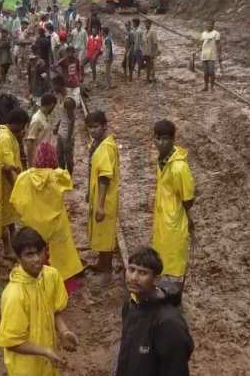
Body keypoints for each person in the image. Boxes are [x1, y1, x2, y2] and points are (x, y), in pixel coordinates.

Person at [0, 227, 79, 376]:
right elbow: (12, 342)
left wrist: (64, 331)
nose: (37, 259)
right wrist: (45, 351)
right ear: (18, 258)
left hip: (47, 360)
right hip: (26, 368)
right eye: (29, 255)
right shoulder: (14, 295)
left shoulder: (51, 275)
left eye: (40, 252)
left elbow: (55, 310)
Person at [11, 154, 83, 295]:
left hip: (34, 225)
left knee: (37, 254)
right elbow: (68, 183)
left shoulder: (24, 177)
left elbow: (16, 202)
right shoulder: (56, 176)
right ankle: (63, 284)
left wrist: (29, 215)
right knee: (60, 254)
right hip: (56, 224)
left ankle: (40, 283)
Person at [115, 247, 193, 376]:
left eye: (143, 273)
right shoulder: (130, 305)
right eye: (131, 269)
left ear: (156, 279)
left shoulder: (168, 322)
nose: (134, 277)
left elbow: (176, 369)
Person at [151, 120, 196, 281]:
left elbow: (188, 198)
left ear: (172, 139)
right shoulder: (162, 160)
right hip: (162, 217)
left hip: (174, 220)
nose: (160, 143)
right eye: (157, 139)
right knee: (162, 255)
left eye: (165, 139)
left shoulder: (179, 168)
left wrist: (184, 216)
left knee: (173, 260)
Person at [86, 111, 119, 284]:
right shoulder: (98, 143)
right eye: (90, 127)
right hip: (98, 195)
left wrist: (100, 205)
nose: (92, 130)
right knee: (101, 232)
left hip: (105, 199)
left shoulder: (105, 147)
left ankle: (107, 270)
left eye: (96, 127)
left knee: (106, 235)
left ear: (104, 126)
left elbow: (104, 177)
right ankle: (101, 262)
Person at [0, 108, 30, 255]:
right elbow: (9, 168)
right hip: (6, 184)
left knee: (9, 217)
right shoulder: (5, 139)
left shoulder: (9, 135)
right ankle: (8, 249)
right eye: (23, 125)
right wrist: (17, 187)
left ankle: (12, 243)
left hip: (10, 182)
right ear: (17, 123)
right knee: (4, 217)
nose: (23, 129)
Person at [25, 93, 57, 166]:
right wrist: (30, 163)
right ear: (51, 105)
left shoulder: (47, 116)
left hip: (46, 154)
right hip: (38, 157)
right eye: (54, 106)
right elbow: (29, 141)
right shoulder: (37, 119)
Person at [55, 97, 76, 175]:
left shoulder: (68, 102)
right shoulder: (61, 99)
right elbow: (62, 115)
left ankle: (69, 176)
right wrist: (57, 126)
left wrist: (68, 139)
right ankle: (62, 174)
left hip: (66, 135)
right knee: (59, 156)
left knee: (68, 158)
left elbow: (72, 121)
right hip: (61, 133)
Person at [58, 46, 82, 110]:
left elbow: (79, 69)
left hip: (75, 83)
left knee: (77, 102)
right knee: (69, 101)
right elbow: (55, 67)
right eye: (69, 52)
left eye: (72, 52)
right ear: (67, 53)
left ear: (74, 52)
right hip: (67, 84)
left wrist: (80, 77)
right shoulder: (63, 61)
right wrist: (62, 75)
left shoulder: (76, 60)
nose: (70, 54)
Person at [199, 22, 221, 91]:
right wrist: (196, 50)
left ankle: (212, 87)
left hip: (212, 54)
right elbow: (202, 44)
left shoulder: (216, 33)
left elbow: (218, 44)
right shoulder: (203, 34)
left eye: (210, 25)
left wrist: (219, 54)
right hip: (204, 54)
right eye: (207, 24)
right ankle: (206, 86)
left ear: (213, 25)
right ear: (205, 25)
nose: (209, 26)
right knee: (205, 72)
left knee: (211, 71)